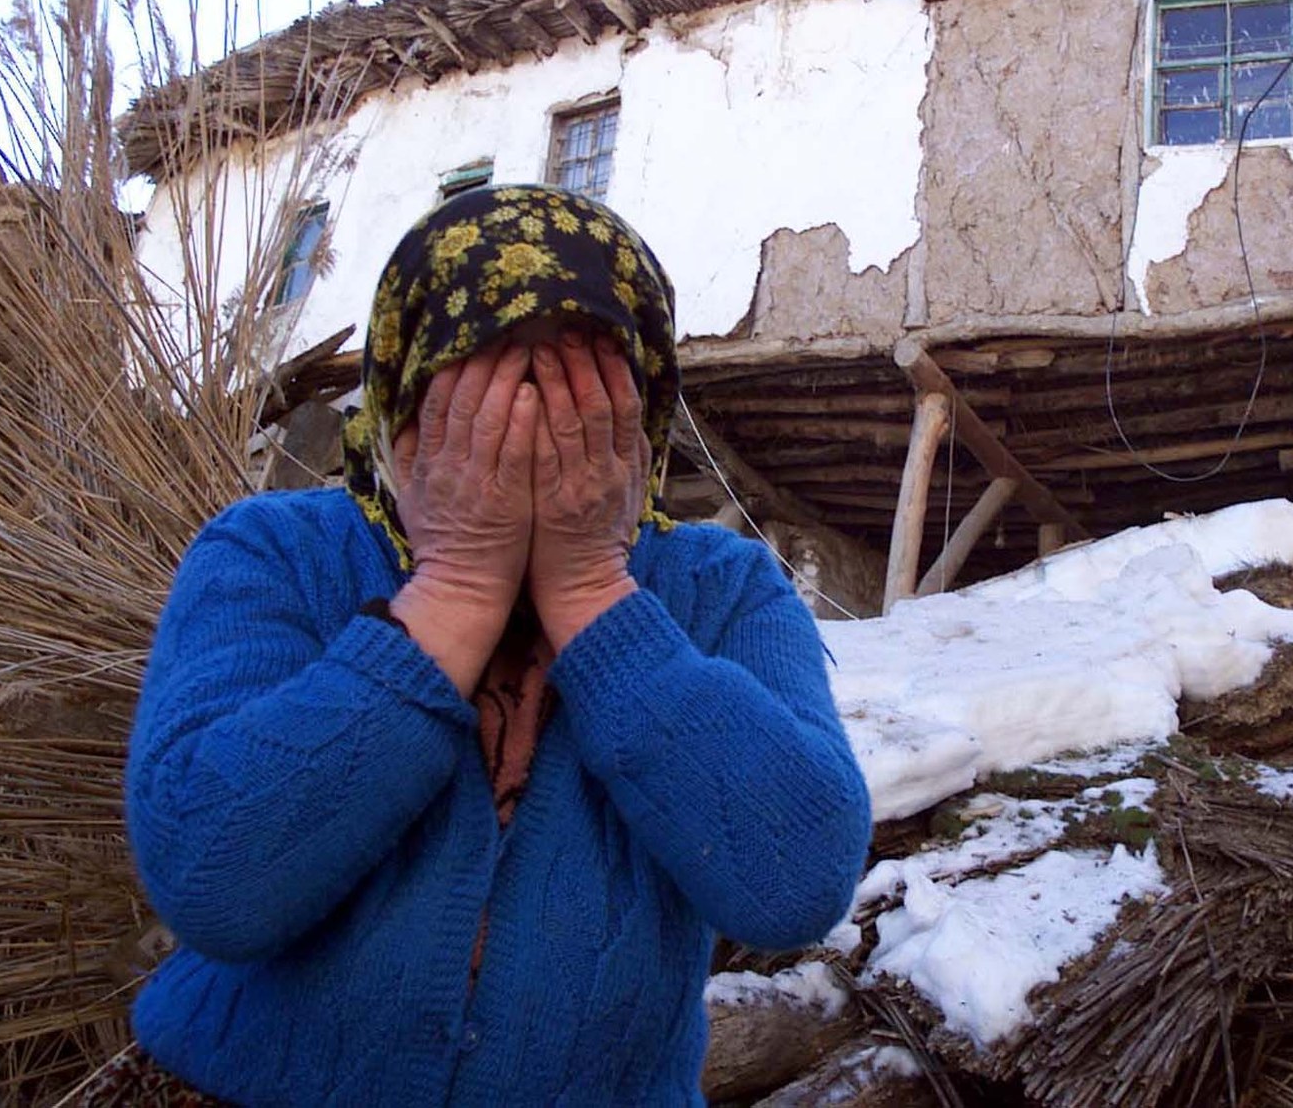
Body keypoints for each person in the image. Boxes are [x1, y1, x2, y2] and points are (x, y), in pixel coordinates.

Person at [106, 183, 873, 1106]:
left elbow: (795, 881)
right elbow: (211, 876)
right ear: (400, 405)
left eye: (578, 399)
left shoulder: (721, 587)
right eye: (484, 398)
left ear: (645, 415)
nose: (531, 437)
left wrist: (593, 589)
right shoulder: (271, 552)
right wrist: (458, 584)